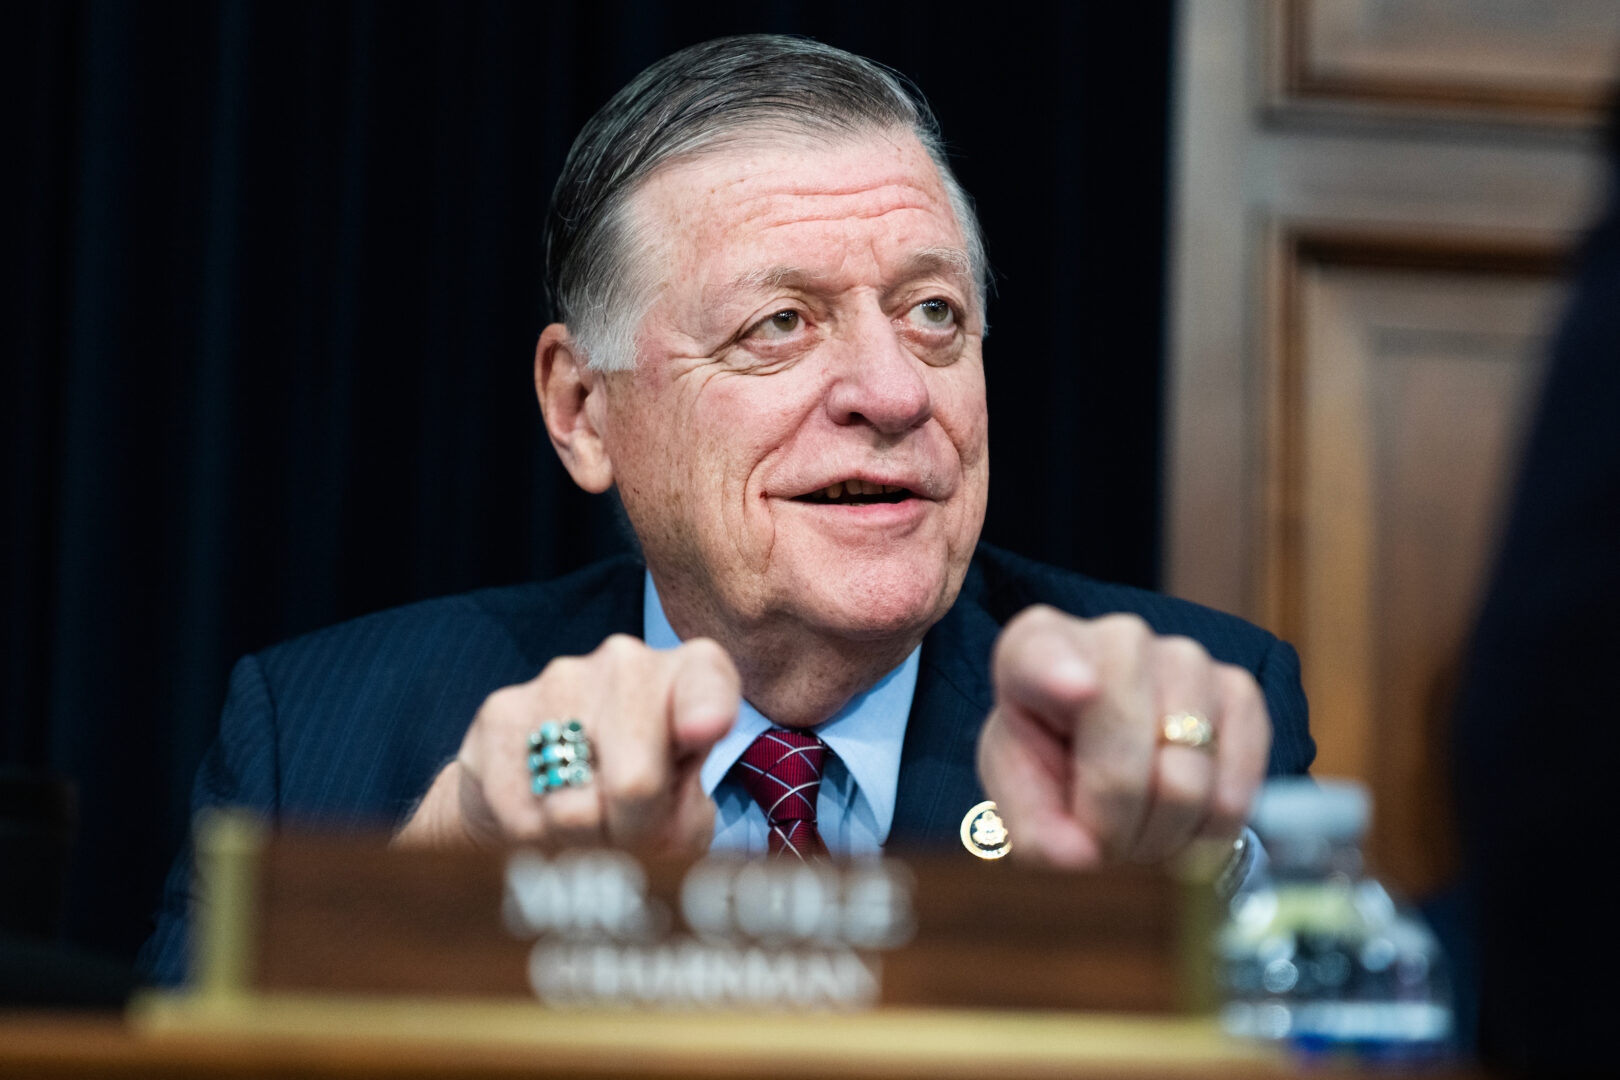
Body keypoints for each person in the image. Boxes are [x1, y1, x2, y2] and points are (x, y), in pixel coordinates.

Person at [140, 35, 1314, 985]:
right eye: (781, 325)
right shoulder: (321, 739)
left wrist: (1203, 865)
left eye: (934, 314)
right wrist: (446, 880)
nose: (895, 391)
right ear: (583, 411)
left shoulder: (1193, 712)